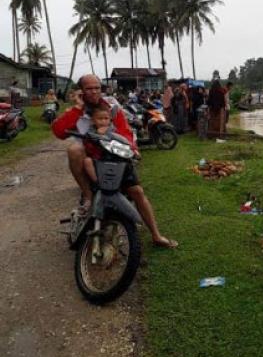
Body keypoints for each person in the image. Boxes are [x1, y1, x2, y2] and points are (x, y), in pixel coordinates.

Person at [50, 74, 178, 248]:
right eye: (89, 88)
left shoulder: (112, 107)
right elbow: (58, 131)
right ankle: (88, 196)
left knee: (138, 192)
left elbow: (125, 131)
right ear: (81, 91)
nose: (94, 91)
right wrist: (78, 108)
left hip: (115, 158)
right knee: (74, 149)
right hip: (92, 161)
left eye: (96, 87)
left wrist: (132, 149)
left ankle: (156, 235)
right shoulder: (76, 112)